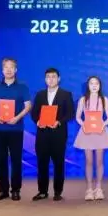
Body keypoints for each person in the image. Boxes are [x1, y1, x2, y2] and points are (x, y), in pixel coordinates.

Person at [0, 58, 31, 201]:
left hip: (16, 129)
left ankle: (16, 190)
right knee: (1, 160)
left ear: (16, 70)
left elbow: (28, 106)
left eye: (11, 67)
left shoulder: (22, 86)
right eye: (6, 67)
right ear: (2, 70)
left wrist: (17, 118)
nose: (9, 70)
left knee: (16, 160)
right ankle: (3, 190)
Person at [30, 68, 73, 202]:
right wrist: (38, 121)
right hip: (42, 134)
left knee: (58, 163)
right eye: (48, 77)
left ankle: (58, 192)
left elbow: (70, 113)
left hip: (58, 134)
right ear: (45, 79)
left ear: (59, 79)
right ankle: (42, 191)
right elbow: (34, 113)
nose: (51, 79)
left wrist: (59, 122)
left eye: (53, 77)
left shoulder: (66, 94)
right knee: (42, 163)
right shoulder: (40, 94)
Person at [74, 76, 108, 201]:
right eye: (91, 83)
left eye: (96, 83)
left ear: (100, 86)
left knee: (99, 161)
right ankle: (89, 189)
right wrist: (83, 124)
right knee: (89, 161)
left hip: (100, 132)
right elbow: (78, 117)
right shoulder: (83, 100)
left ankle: (99, 188)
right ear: (88, 85)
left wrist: (104, 124)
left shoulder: (104, 99)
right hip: (87, 132)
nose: (94, 85)